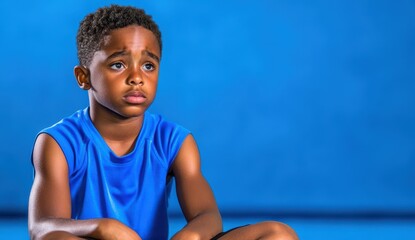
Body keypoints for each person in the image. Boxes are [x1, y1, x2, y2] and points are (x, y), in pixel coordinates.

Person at [28, 5, 298, 240]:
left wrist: (191, 235)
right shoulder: (58, 143)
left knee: (278, 234)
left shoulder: (173, 141)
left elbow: (208, 216)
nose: (137, 77)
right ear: (83, 77)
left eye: (148, 65)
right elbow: (42, 228)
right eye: (118, 65)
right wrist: (103, 227)